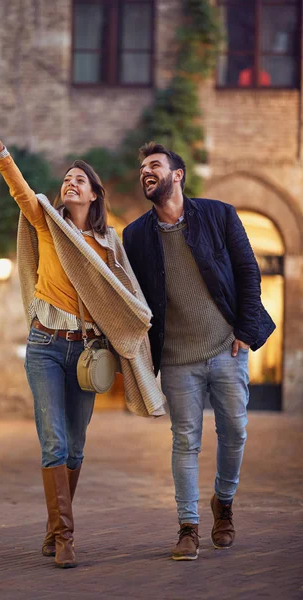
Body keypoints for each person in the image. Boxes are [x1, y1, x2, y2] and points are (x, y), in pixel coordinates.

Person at [0, 108, 165, 569]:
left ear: (94, 193)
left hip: (87, 353)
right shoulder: (48, 226)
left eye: (80, 180)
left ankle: (55, 529)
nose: (70, 183)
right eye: (67, 179)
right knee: (54, 442)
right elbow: (19, 188)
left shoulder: (108, 245)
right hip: (45, 346)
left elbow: (127, 297)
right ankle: (65, 537)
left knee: (76, 447)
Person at [123, 142, 275, 561]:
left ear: (178, 174)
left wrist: (244, 329)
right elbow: (130, 296)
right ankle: (187, 527)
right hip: (176, 359)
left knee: (235, 432)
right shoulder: (135, 235)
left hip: (227, 348)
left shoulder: (219, 213)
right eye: (142, 168)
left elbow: (247, 271)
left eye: (155, 165)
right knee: (185, 440)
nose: (146, 172)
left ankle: (222, 504)